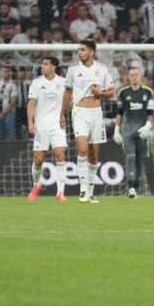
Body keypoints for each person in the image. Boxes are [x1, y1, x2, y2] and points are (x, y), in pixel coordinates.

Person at [60, 40, 115, 204]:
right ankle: (83, 190)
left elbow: (111, 92)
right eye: (79, 50)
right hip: (79, 113)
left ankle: (90, 192)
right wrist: (62, 114)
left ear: (91, 52)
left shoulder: (102, 69)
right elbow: (67, 93)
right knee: (82, 148)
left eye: (83, 50)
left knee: (93, 153)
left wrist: (100, 92)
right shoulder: (73, 70)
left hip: (96, 113)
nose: (79, 52)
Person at [26, 56, 68, 202]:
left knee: (60, 154)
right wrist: (30, 123)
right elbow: (31, 104)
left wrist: (63, 114)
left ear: (54, 67)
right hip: (41, 125)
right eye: (41, 64)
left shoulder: (63, 82)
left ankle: (60, 193)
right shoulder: (36, 83)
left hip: (58, 125)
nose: (42, 66)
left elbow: (70, 100)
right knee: (38, 160)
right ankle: (36, 185)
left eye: (45, 64)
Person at [113, 66, 154, 199]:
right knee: (130, 157)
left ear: (141, 76)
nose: (134, 77)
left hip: (142, 130)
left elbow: (150, 112)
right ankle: (131, 187)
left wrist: (148, 126)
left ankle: (135, 186)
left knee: (139, 159)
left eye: (136, 74)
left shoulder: (148, 92)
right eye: (132, 75)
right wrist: (116, 130)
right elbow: (119, 113)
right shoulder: (123, 93)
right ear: (128, 77)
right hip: (127, 130)